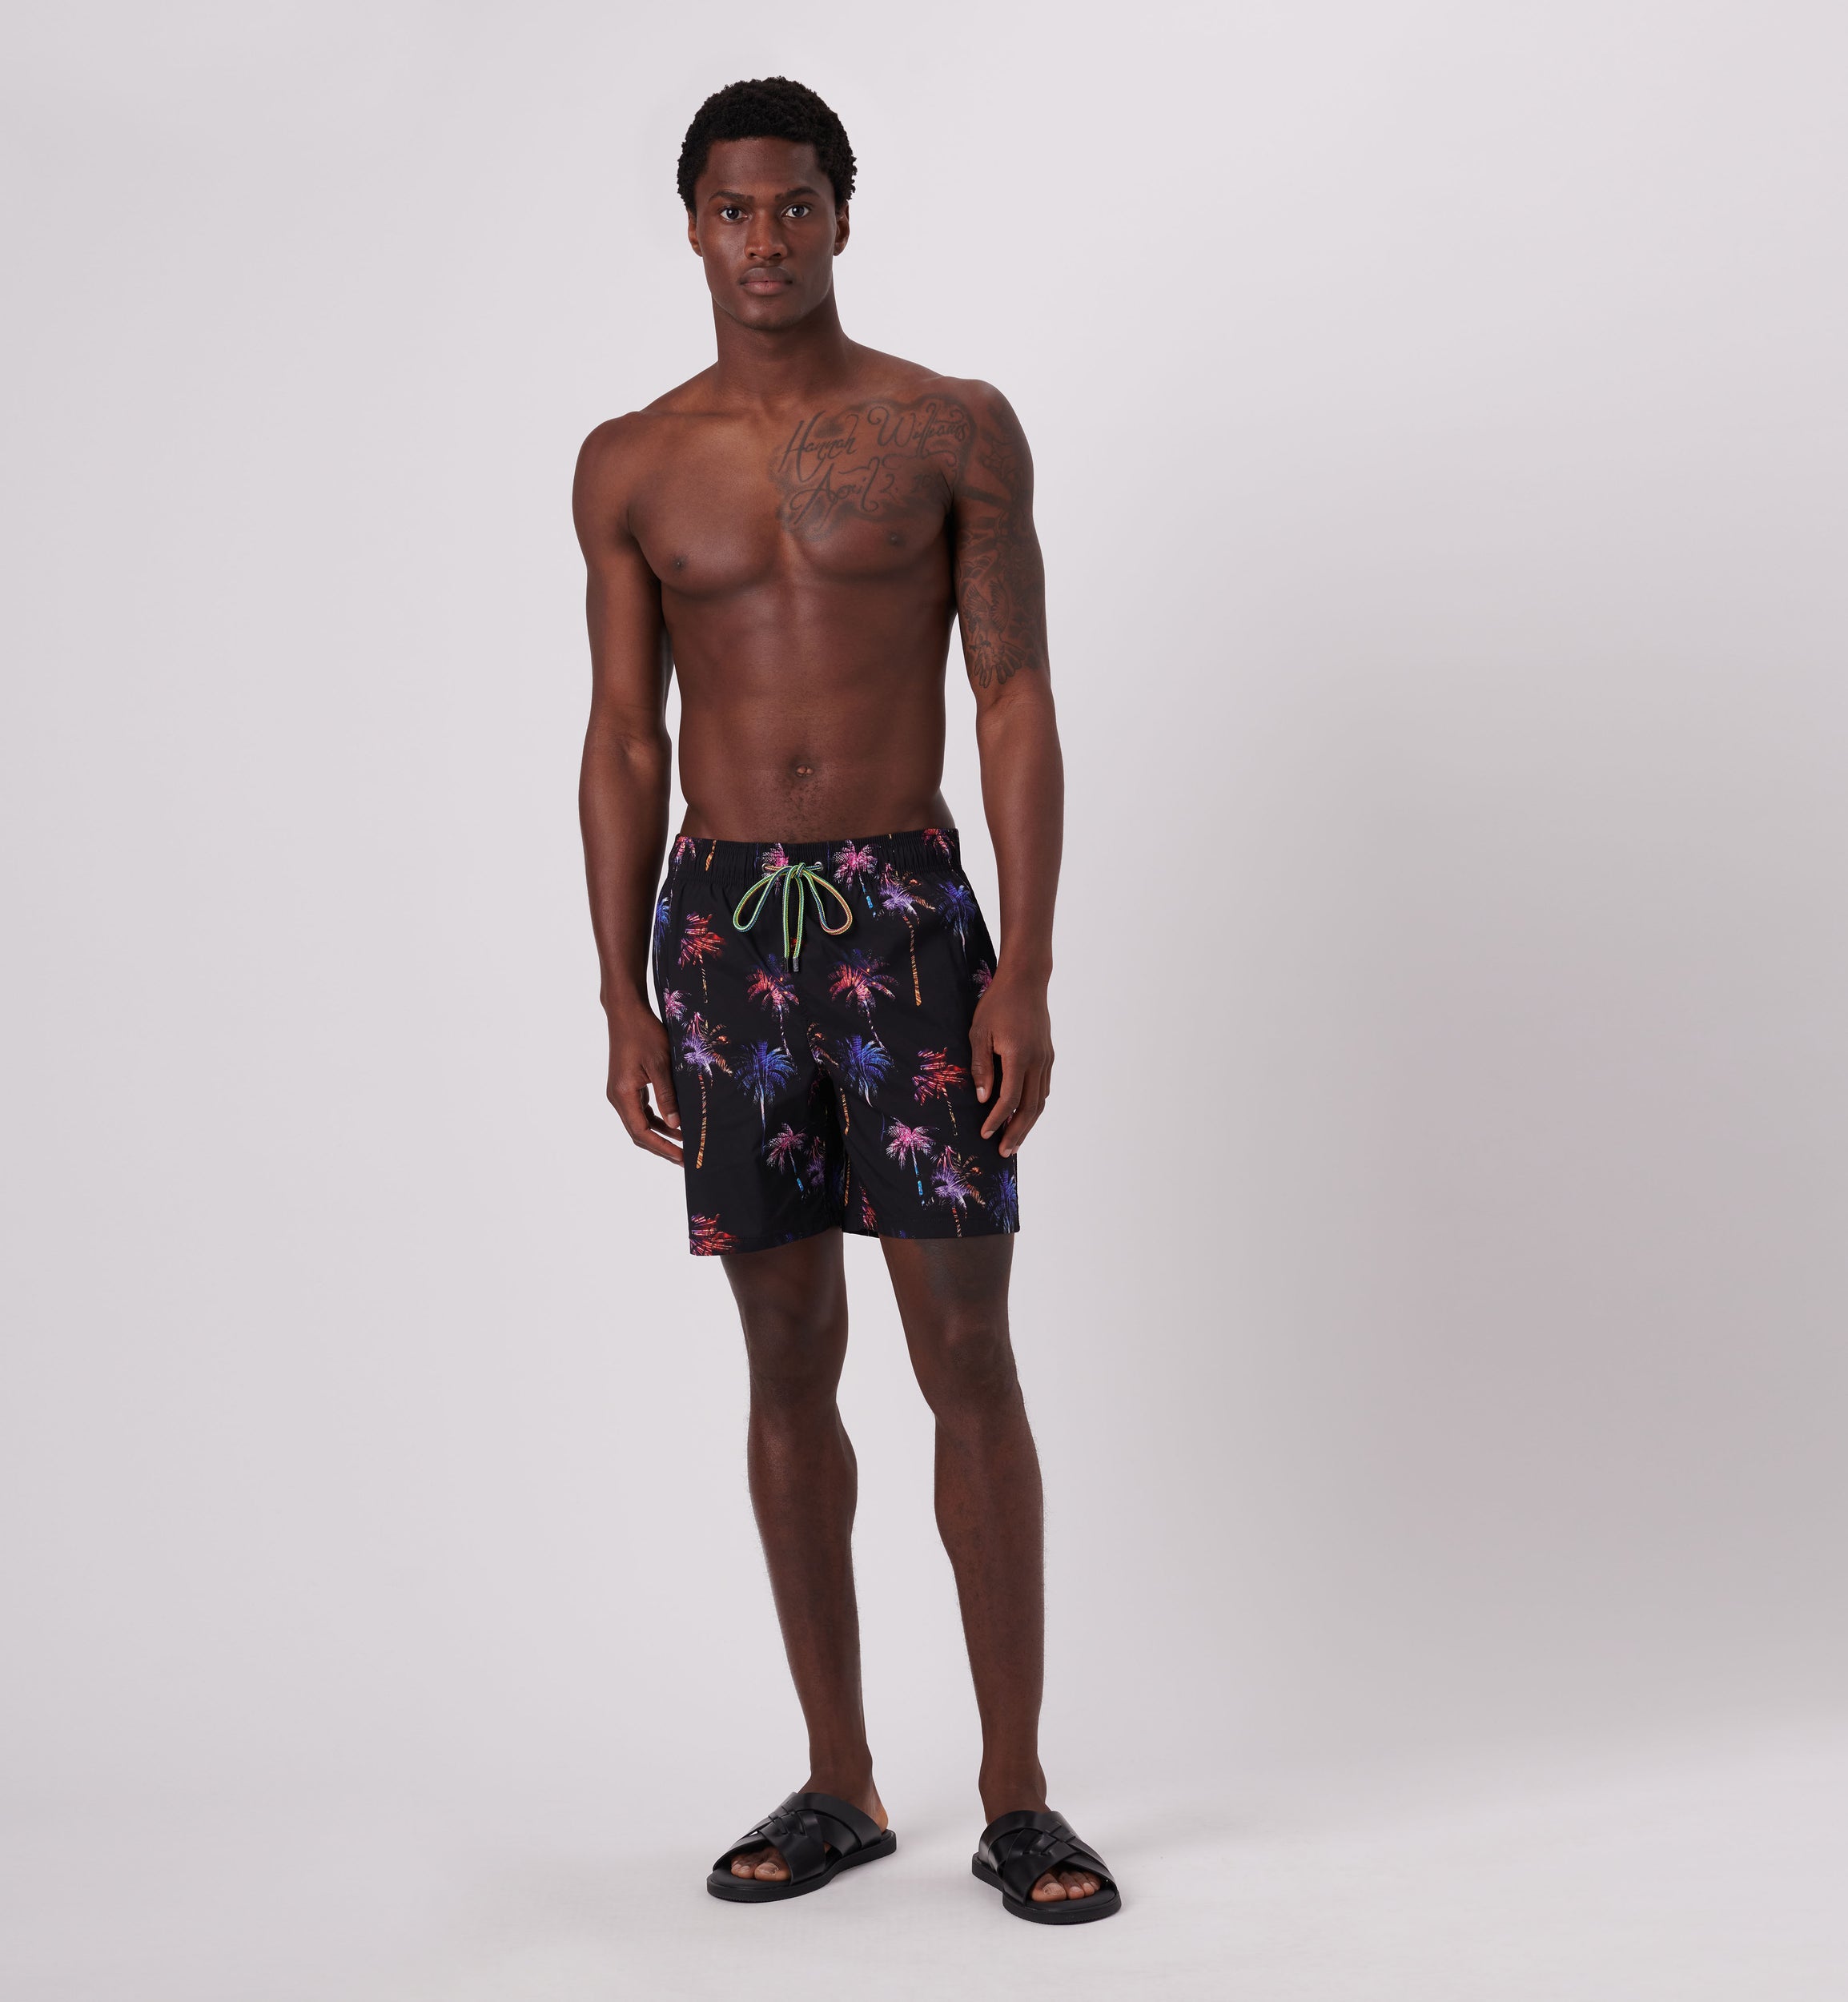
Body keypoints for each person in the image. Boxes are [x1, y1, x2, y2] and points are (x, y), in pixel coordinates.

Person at [574, 77, 1118, 1924]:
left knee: (965, 1352)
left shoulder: (949, 427)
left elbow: (1014, 694)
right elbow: (620, 735)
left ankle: (1017, 1795)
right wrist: (621, 990)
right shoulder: (630, 463)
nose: (764, 239)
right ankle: (839, 1777)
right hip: (723, 932)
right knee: (783, 1357)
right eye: (732, 211)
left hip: (904, 916)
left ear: (841, 215)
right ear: (692, 227)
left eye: (793, 205)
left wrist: (1024, 956)